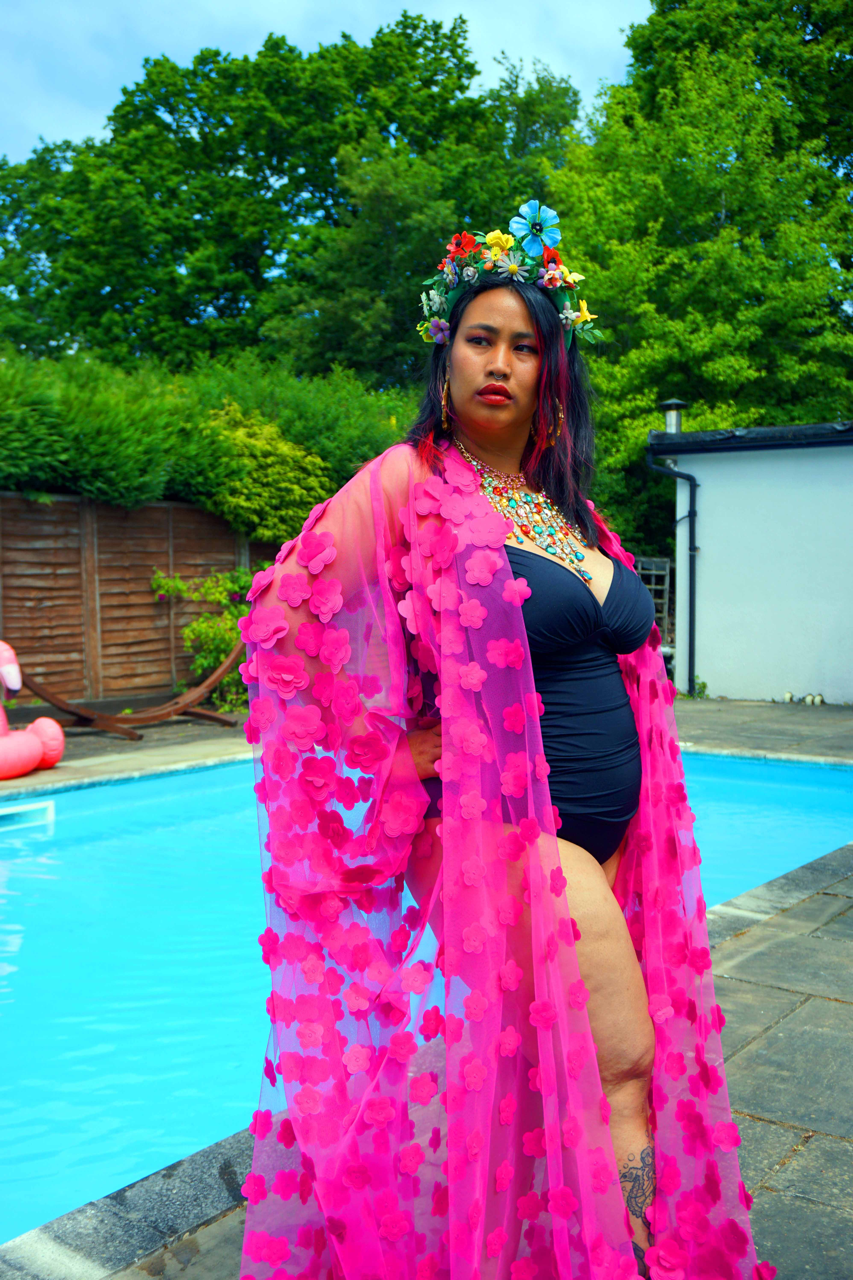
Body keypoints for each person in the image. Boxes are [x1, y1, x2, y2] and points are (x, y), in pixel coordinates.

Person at [238, 202, 771, 1280]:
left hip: (605, 838)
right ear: (445, 355)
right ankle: (642, 1264)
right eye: (480, 339)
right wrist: (397, 751)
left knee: (540, 1089)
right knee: (622, 1069)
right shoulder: (406, 482)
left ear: (550, 373)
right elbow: (281, 630)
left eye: (524, 346)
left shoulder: (563, 509)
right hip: (511, 840)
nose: (500, 363)